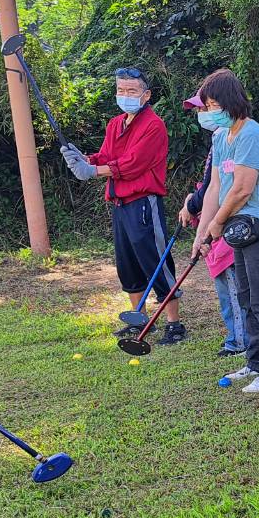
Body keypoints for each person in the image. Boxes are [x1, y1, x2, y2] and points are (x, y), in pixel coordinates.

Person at [187, 69, 259, 394]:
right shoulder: (222, 137)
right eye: (205, 106)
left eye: (212, 104)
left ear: (231, 101)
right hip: (241, 227)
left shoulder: (251, 134)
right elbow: (215, 187)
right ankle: (255, 363)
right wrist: (201, 233)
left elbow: (243, 189)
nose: (207, 112)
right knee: (246, 296)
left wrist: (216, 225)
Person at [63, 66, 184, 346]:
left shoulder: (153, 125)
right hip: (120, 203)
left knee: (155, 260)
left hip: (144, 203)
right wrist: (83, 158)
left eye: (131, 90)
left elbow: (132, 164)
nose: (125, 95)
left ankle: (174, 323)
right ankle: (138, 318)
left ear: (146, 95)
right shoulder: (115, 124)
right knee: (127, 263)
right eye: (121, 90)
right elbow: (105, 156)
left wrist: (92, 171)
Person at [179, 145, 248, 358]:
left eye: (209, 108)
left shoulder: (233, 144)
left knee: (232, 293)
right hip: (215, 231)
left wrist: (192, 205)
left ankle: (239, 341)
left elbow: (214, 188)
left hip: (224, 234)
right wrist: (193, 201)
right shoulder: (218, 143)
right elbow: (209, 187)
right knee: (230, 290)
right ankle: (239, 336)